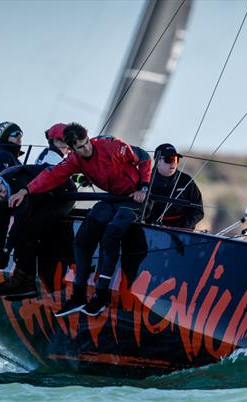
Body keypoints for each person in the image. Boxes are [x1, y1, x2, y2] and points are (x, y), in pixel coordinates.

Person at [9, 122, 151, 317]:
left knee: (111, 233)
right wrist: (25, 191)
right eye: (80, 147)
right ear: (72, 149)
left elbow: (143, 157)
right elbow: (52, 175)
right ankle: (78, 296)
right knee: (83, 239)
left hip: (134, 199)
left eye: (86, 143)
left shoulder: (111, 145)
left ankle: (101, 296)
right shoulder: (75, 160)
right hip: (113, 199)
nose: (86, 149)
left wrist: (143, 187)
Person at [0, 123, 75, 298]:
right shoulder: (2, 195)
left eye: (2, 191)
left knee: (28, 229)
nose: (2, 195)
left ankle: (26, 281)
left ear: (2, 184)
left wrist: (7, 251)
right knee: (22, 228)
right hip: (44, 195)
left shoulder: (15, 186)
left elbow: (19, 224)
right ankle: (24, 279)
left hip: (63, 193)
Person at [144, 143, 204, 230]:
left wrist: (176, 227)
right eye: (169, 159)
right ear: (157, 161)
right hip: (150, 229)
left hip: (180, 232)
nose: (173, 163)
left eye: (176, 159)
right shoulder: (145, 180)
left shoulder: (186, 180)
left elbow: (198, 211)